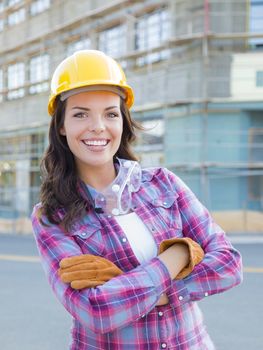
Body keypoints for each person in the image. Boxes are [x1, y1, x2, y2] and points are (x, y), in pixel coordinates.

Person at [31, 49, 243, 350]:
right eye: (81, 114)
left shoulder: (164, 184)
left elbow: (229, 264)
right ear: (62, 126)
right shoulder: (51, 216)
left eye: (110, 113)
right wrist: (178, 256)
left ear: (122, 121)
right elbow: (97, 312)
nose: (98, 127)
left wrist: (154, 291)